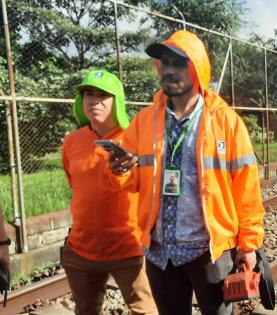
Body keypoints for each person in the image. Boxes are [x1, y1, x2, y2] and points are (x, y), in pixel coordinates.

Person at [107, 30, 265, 315]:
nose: (168, 70)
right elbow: (129, 182)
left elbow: (247, 187)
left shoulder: (226, 122)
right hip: (160, 252)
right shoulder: (143, 122)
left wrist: (249, 243)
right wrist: (119, 171)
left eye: (178, 63)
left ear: (197, 69)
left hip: (210, 251)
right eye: (164, 63)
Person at [60, 69, 157, 315]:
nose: (94, 100)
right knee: (86, 311)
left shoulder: (136, 137)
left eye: (103, 95)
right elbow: (77, 185)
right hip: (81, 250)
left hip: (130, 248)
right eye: (88, 94)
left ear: (117, 101)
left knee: (146, 310)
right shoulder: (72, 142)